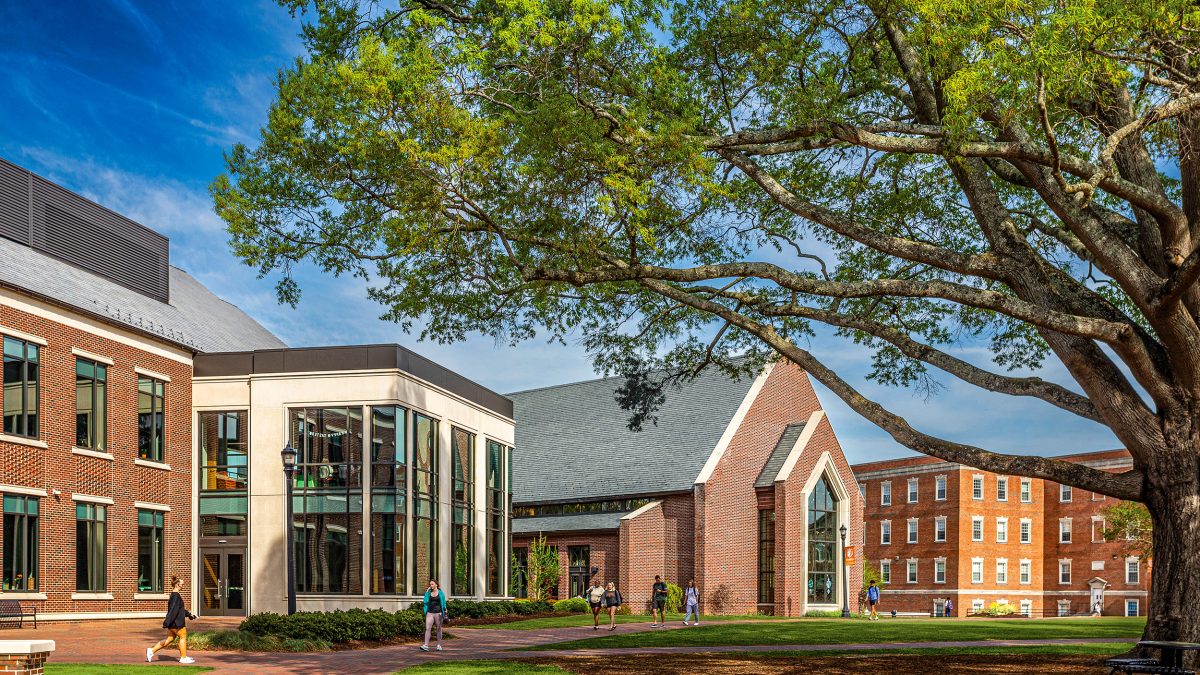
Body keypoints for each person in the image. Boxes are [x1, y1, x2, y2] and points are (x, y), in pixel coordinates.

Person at [147, 576, 197, 664]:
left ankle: (151, 650)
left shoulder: (174, 595)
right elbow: (173, 610)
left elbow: (180, 609)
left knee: (169, 639)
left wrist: (189, 615)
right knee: (183, 637)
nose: (183, 586)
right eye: (182, 584)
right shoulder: (175, 596)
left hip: (173, 622)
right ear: (177, 584)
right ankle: (183, 658)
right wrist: (167, 622)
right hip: (177, 622)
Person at [420, 579, 448, 652]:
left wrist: (445, 610)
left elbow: (444, 603)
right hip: (430, 613)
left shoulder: (441, 593)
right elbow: (425, 601)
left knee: (439, 629)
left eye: (432, 584)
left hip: (439, 613)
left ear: (436, 584)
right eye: (430, 584)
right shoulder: (429, 593)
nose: (431, 586)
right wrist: (426, 592)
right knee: (427, 629)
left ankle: (439, 645)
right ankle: (426, 645)